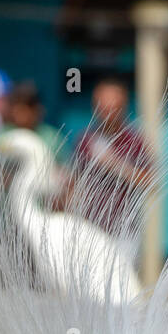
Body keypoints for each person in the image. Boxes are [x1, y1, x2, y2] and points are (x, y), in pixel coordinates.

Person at [71, 79, 151, 240]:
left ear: (123, 106)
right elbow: (74, 182)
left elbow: (149, 181)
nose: (107, 112)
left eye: (112, 107)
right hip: (89, 228)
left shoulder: (133, 142)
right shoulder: (85, 140)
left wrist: (112, 163)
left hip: (123, 229)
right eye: (102, 106)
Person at [0, 81, 59, 156]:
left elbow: (63, 165)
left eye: (24, 109)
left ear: (37, 110)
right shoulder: (2, 137)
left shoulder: (52, 138)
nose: (20, 115)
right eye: (17, 109)